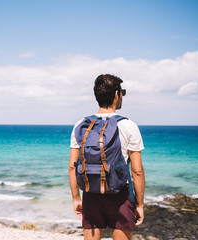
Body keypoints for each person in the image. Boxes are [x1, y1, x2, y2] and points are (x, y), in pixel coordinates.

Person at [68, 74, 145, 240]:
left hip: (91, 191)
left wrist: (76, 198)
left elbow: (73, 166)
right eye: (122, 92)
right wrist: (139, 204)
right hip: (120, 194)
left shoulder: (82, 125)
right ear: (117, 95)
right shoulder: (128, 125)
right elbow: (137, 171)